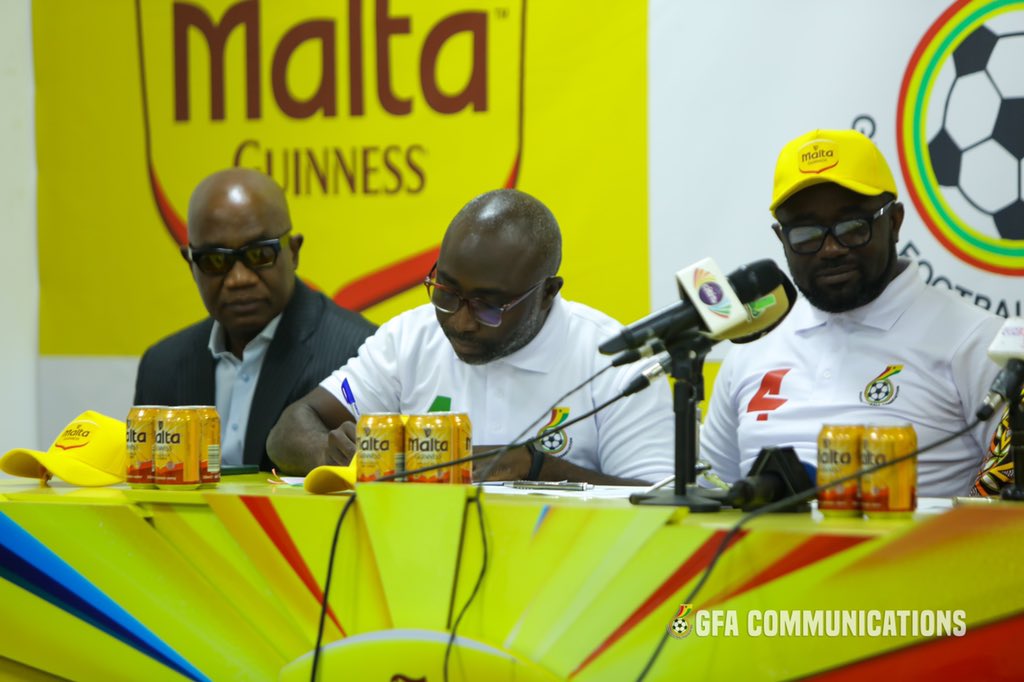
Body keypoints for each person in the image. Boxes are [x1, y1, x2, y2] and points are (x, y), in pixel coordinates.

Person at [267, 189, 674, 483]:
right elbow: (289, 429)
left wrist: (538, 468)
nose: (461, 322)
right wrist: (327, 451)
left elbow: (662, 503)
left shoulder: (616, 358)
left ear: (548, 293)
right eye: (446, 293)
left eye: (489, 306)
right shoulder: (409, 338)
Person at [700, 129, 1003, 498]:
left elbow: (1007, 496)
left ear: (894, 222)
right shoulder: (752, 347)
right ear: (781, 238)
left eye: (853, 227)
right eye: (806, 234)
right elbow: (711, 492)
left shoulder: (977, 340)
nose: (830, 249)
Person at [134, 168, 376, 470]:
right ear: (191, 265)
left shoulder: (359, 354)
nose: (239, 279)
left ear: (293, 252)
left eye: (260, 255)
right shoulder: (162, 367)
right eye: (216, 260)